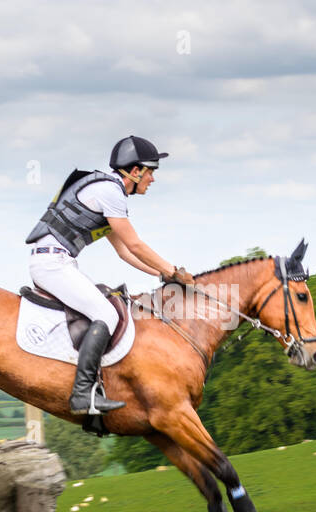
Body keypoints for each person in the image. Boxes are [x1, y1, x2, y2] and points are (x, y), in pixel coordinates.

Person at [24, 135, 195, 414]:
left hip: (56, 261)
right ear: (135, 171)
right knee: (108, 314)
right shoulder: (110, 192)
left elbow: (124, 253)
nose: (152, 179)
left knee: (107, 309)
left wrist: (163, 276)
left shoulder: (108, 193)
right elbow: (135, 244)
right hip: (53, 263)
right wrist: (173, 270)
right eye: (151, 171)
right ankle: (82, 394)